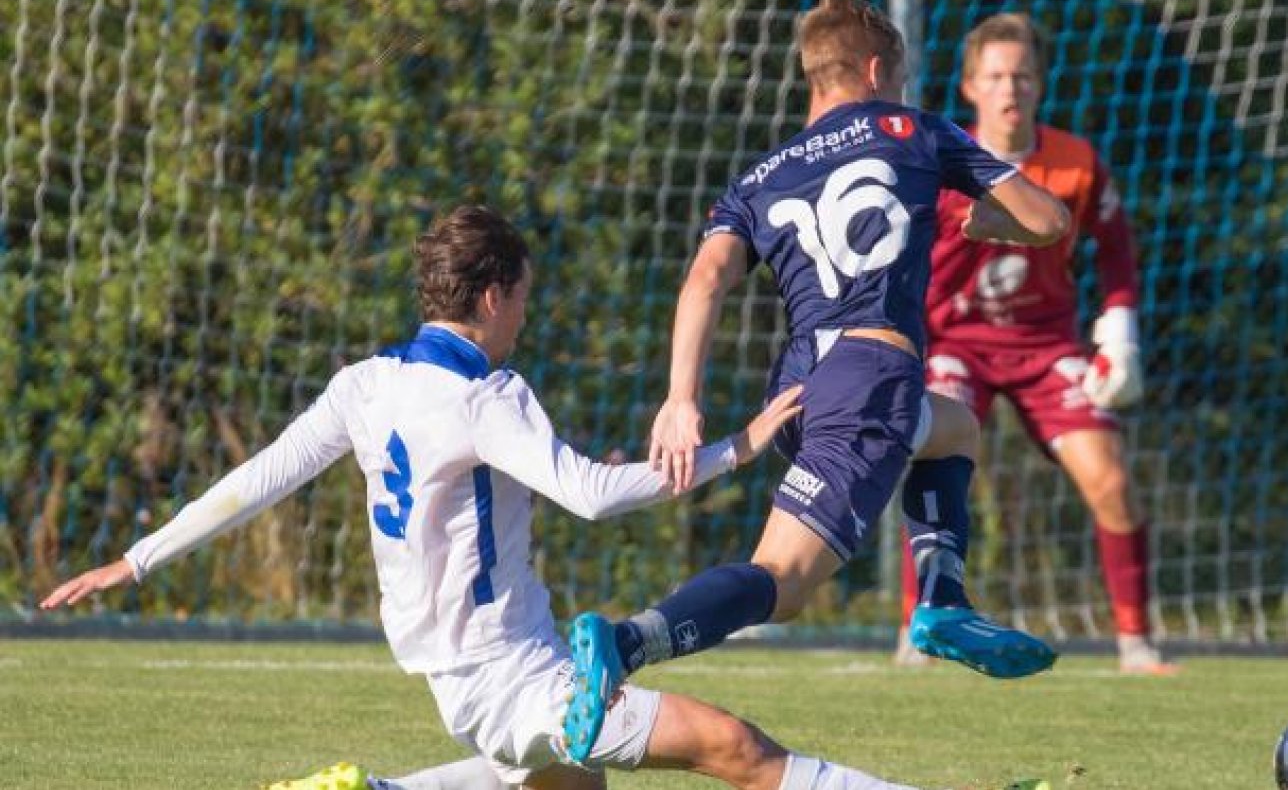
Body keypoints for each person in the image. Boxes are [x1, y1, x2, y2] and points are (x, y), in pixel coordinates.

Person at [42, 204, 960, 790]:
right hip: (521, 677)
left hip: (461, 681)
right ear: (490, 296)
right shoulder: (487, 395)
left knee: (567, 786)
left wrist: (138, 558)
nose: (524, 313)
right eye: (521, 296)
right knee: (737, 750)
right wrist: (739, 447)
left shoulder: (364, 384)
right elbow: (592, 495)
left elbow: (262, 477)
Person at [560, 0, 1075, 765]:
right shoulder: (916, 130)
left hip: (800, 386)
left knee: (954, 428)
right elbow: (1049, 219)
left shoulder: (758, 178)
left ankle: (941, 600)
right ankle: (626, 642)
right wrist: (990, 222)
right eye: (896, 78)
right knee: (782, 581)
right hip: (871, 374)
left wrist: (680, 397)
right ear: (874, 72)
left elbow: (705, 278)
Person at [901, 12, 1174, 676]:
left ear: (1041, 83)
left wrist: (1119, 334)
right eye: (996, 76)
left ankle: (1136, 643)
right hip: (957, 343)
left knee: (1110, 480)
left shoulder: (1076, 164)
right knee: (933, 464)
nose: (1010, 88)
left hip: (1046, 346)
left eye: (1022, 75)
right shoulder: (939, 161)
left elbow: (1116, 252)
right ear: (970, 86)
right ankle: (918, 630)